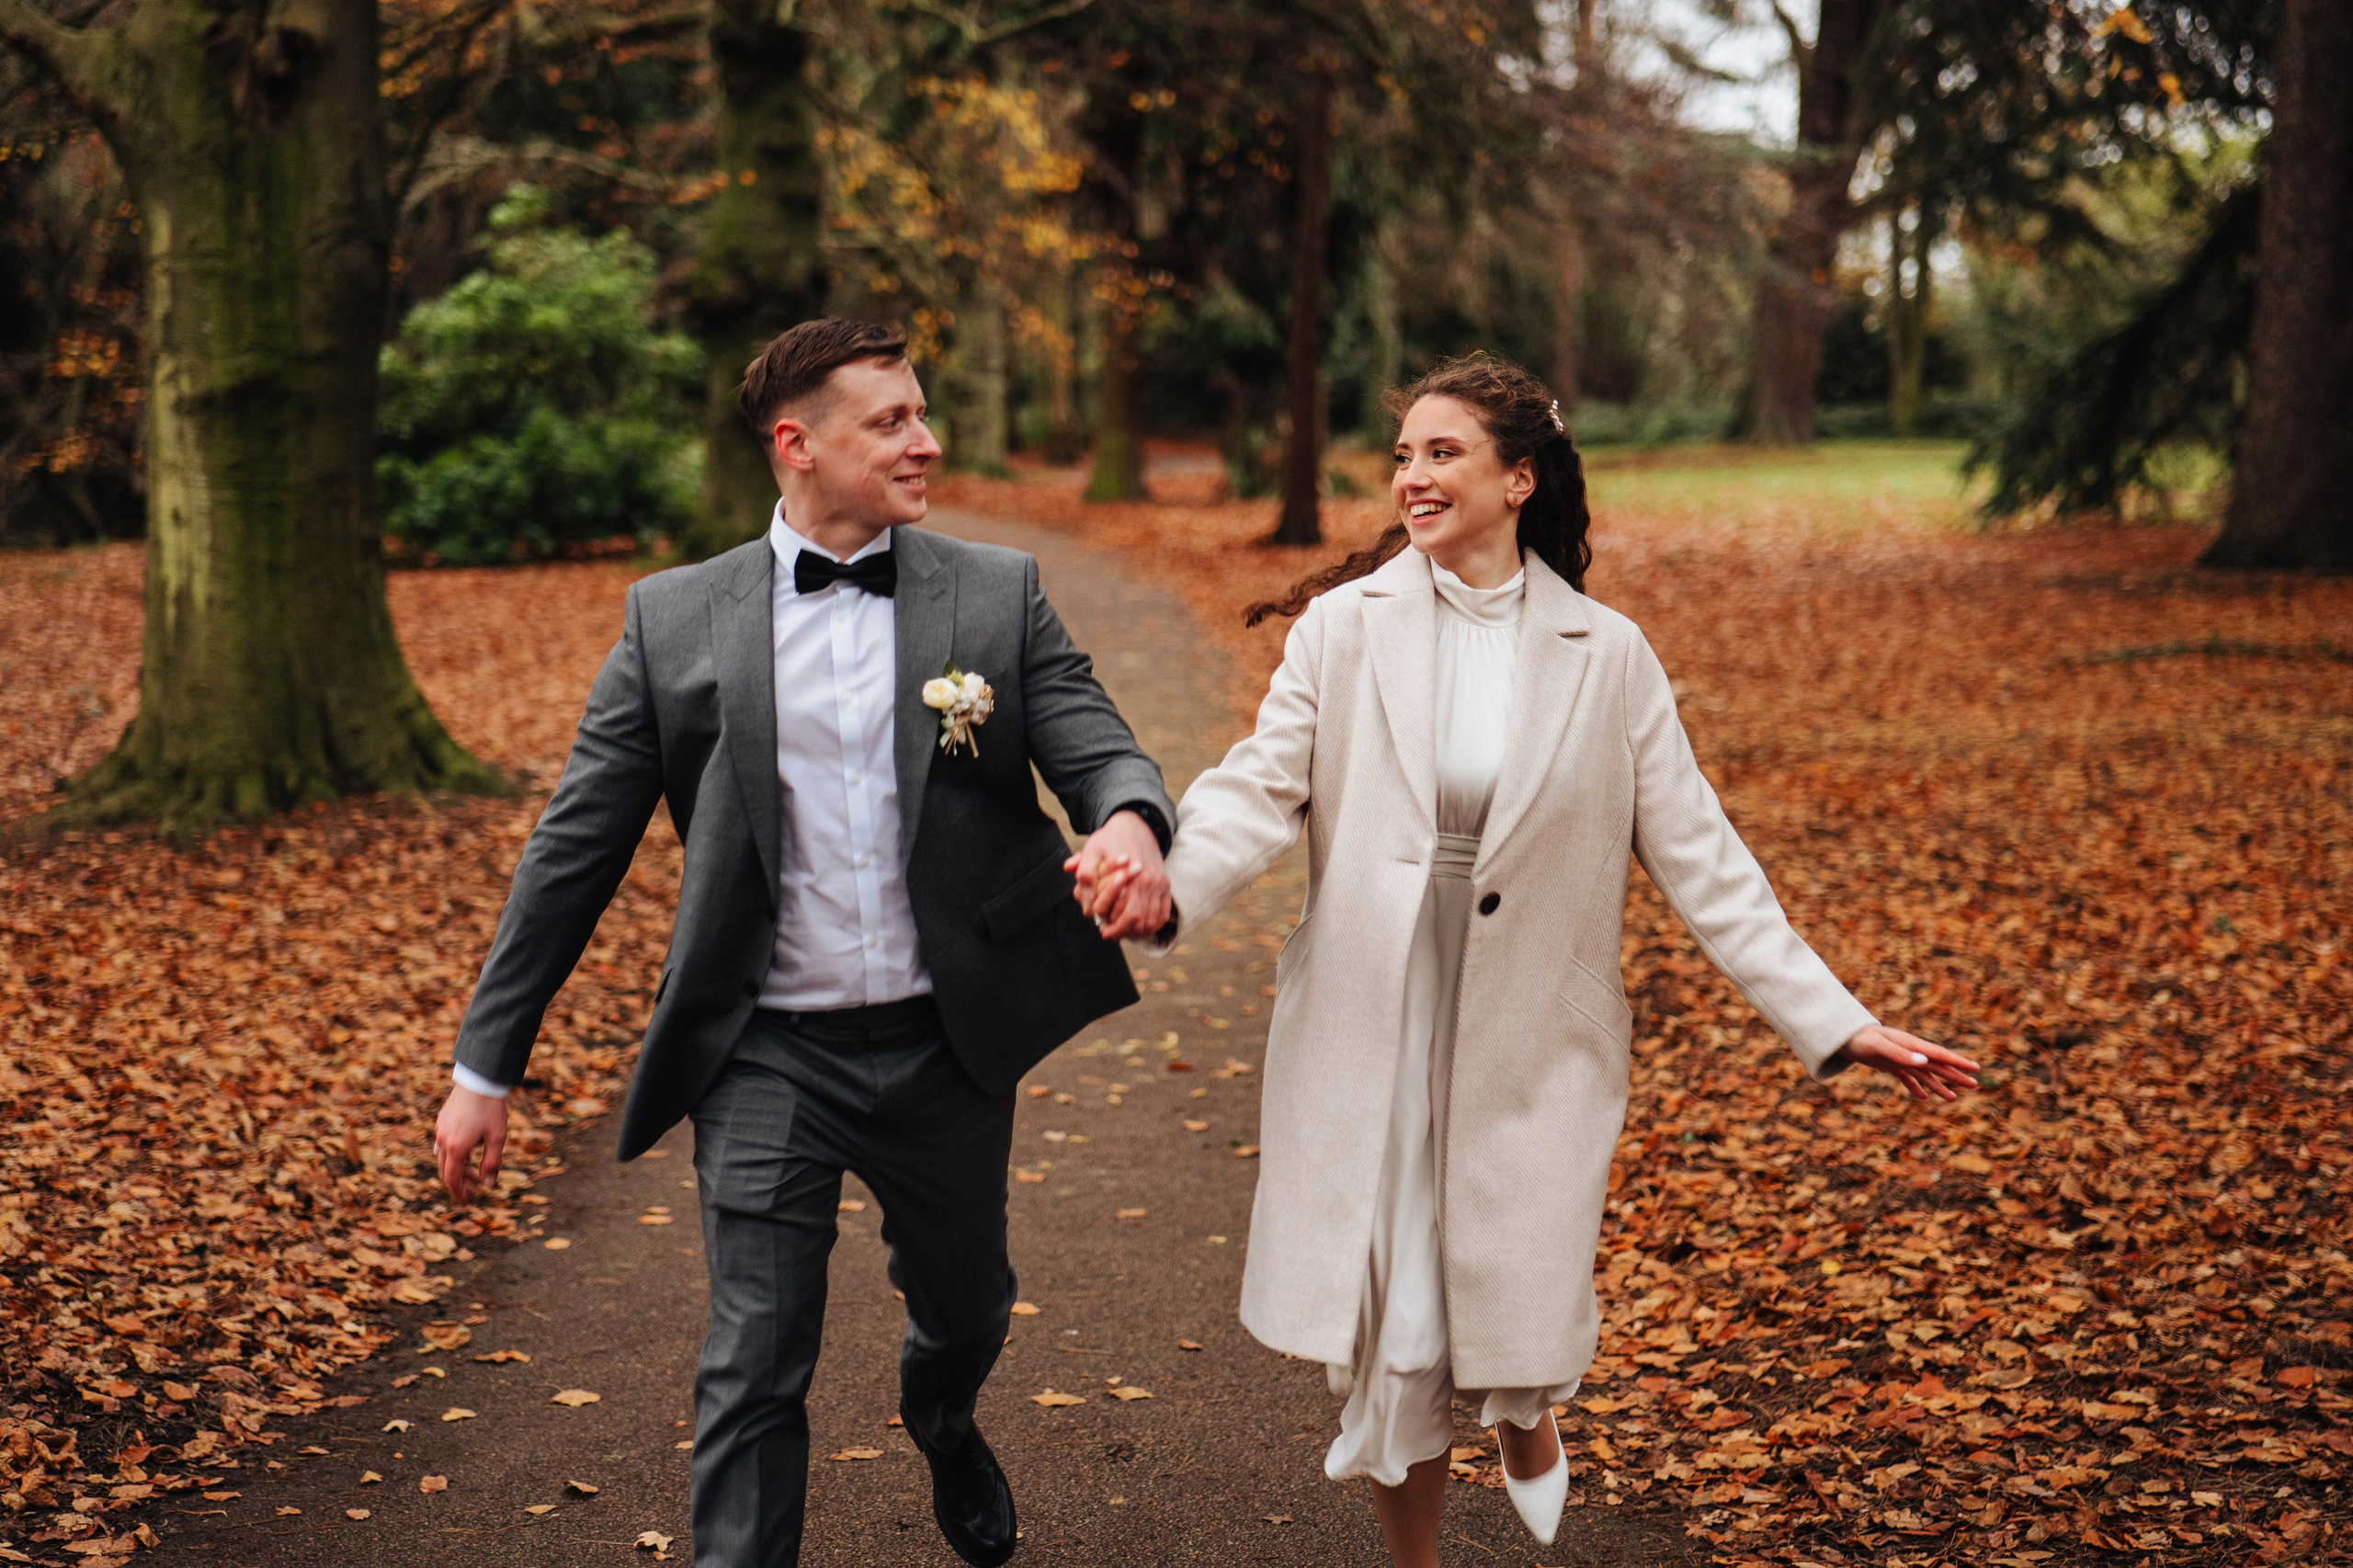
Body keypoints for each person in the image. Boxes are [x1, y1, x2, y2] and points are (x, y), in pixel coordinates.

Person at [1079, 353, 1977, 1567]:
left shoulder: (1607, 655)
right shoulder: (1344, 632)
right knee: (1399, 1337)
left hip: (1532, 1040)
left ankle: (1527, 1402)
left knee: (1514, 1296)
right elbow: (1256, 790)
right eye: (1401, 454)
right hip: (1374, 1031)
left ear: (1519, 477)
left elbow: (1705, 859)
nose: (1412, 474)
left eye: (1441, 452)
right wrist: (1166, 885)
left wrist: (1840, 1020)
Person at [431, 317, 1176, 1568]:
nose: (925, 439)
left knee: (967, 1306)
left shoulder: (993, 593)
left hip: (947, 1044)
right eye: (892, 420)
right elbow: (575, 849)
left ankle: (941, 1409)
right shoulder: (674, 621)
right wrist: (484, 1066)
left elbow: (1098, 743)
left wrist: (1134, 827)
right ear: (798, 444)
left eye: (922, 412)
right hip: (765, 1052)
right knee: (754, 1358)